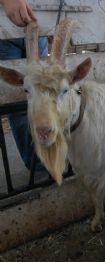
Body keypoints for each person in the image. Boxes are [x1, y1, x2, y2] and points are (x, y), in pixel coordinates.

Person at [0, 0, 48, 170]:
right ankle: (37, 165)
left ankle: (48, 157)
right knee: (18, 99)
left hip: (39, 19)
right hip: (3, 27)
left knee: (44, 91)